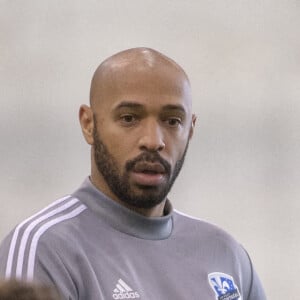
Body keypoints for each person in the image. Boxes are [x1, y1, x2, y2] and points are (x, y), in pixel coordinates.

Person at [0, 47, 266, 299]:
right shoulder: (43, 248)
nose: (153, 141)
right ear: (88, 124)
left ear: (191, 129)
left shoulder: (227, 256)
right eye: (129, 118)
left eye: (172, 121)